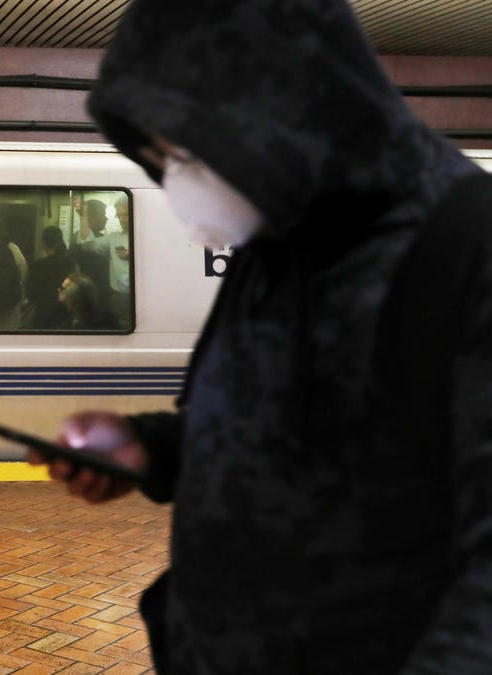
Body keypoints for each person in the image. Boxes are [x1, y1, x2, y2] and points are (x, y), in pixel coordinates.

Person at [28, 1, 492, 673]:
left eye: (188, 152)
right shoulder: (274, 245)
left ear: (281, 112)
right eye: (160, 158)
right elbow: (297, 432)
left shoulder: (464, 250)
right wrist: (149, 447)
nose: (177, 181)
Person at [86, 201, 132, 328]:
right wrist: (83, 217)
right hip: (118, 297)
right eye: (119, 216)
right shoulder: (114, 238)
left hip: (143, 295)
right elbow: (88, 245)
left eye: (125, 215)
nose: (122, 220)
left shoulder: (149, 236)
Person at [25, 226, 75, 329]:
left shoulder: (37, 266)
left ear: (43, 243)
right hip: (65, 316)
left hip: (43, 317)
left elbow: (31, 294)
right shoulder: (70, 264)